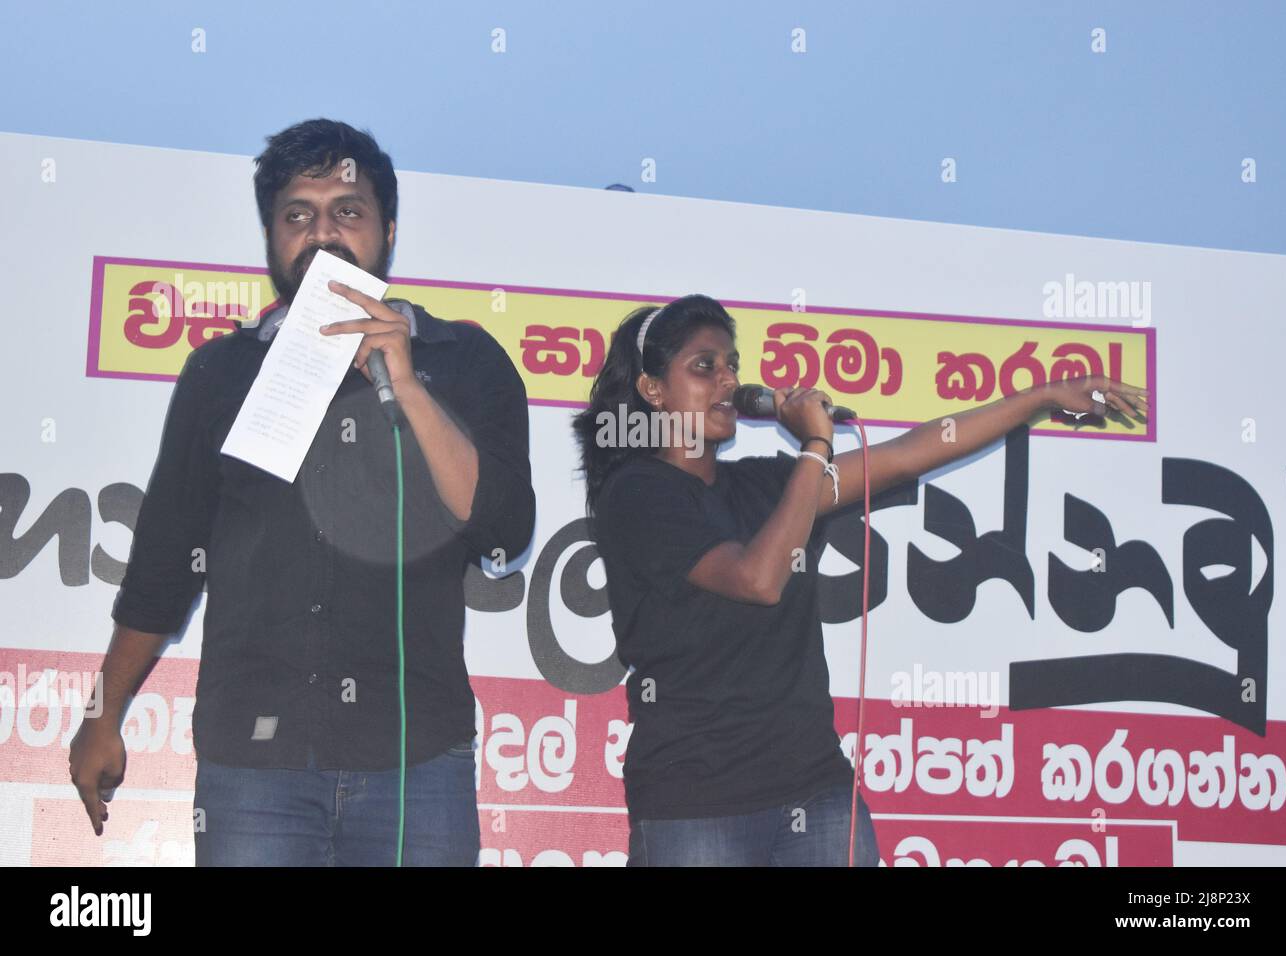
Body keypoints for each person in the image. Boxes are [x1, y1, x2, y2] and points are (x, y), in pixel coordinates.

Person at [68, 118, 536, 866]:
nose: (324, 234)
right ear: (269, 236)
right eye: (298, 215)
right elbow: (163, 566)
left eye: (348, 211)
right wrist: (102, 714)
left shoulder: (466, 361)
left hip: (417, 763)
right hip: (253, 766)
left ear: (389, 231)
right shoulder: (219, 375)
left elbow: (505, 535)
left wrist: (408, 384)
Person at [574, 294, 1147, 866]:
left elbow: (908, 453)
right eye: (705, 366)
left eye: (732, 366)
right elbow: (758, 578)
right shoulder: (635, 494)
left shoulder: (767, 486)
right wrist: (816, 445)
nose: (727, 380)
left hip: (816, 794)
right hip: (695, 810)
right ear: (652, 391)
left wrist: (1043, 397)